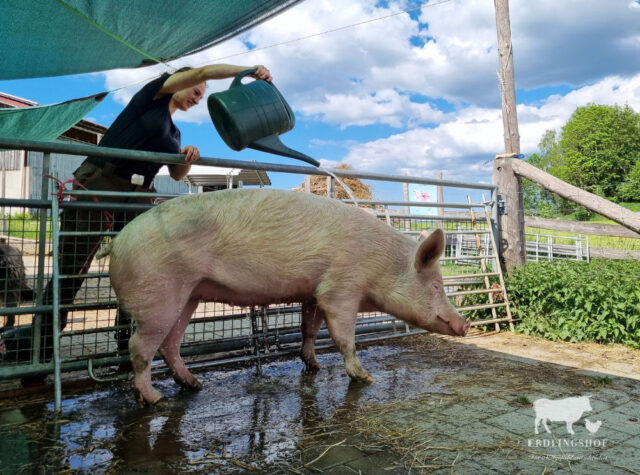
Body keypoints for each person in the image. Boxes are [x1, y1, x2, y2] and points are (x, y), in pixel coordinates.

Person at [16, 64, 273, 379]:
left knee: (138, 275)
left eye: (201, 94)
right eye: (196, 89)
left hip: (138, 198)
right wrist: (247, 70)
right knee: (73, 270)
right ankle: (40, 357)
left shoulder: (174, 133)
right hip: (101, 185)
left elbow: (176, 173)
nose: (197, 97)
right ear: (179, 82)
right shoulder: (150, 98)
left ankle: (128, 356)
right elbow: (203, 71)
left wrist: (186, 157)